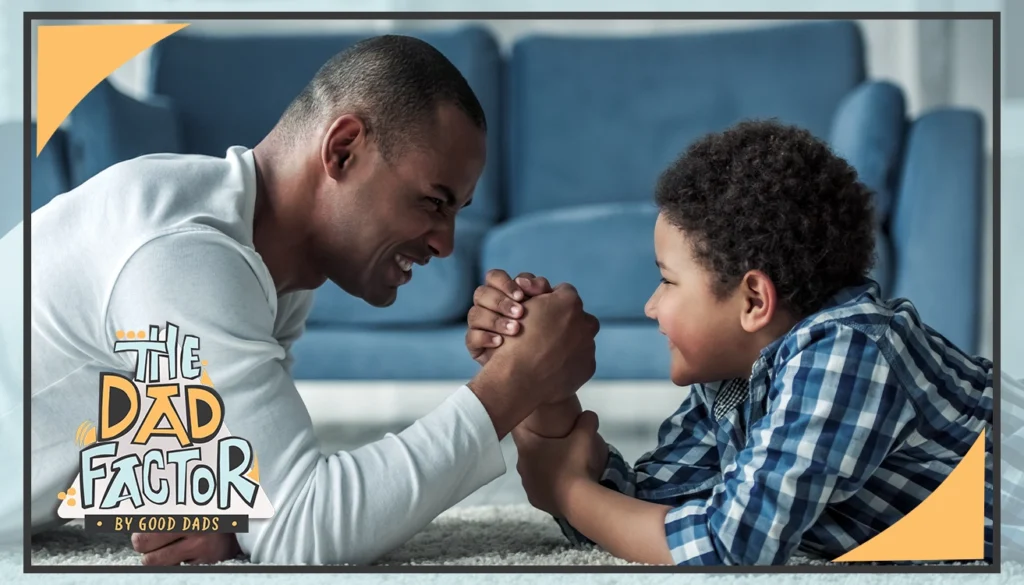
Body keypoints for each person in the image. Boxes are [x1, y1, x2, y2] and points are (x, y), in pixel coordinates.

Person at [0, 34, 601, 565]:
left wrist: (230, 516)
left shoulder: (261, 253)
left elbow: (247, 485)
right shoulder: (184, 254)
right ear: (342, 150)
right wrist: (512, 385)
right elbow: (303, 527)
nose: (445, 244)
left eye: (458, 212)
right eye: (433, 201)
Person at [466, 119, 995, 565]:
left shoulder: (852, 350)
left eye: (668, 281)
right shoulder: (738, 374)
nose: (651, 306)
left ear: (753, 301)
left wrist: (566, 491)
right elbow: (645, 515)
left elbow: (729, 550)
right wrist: (545, 389)